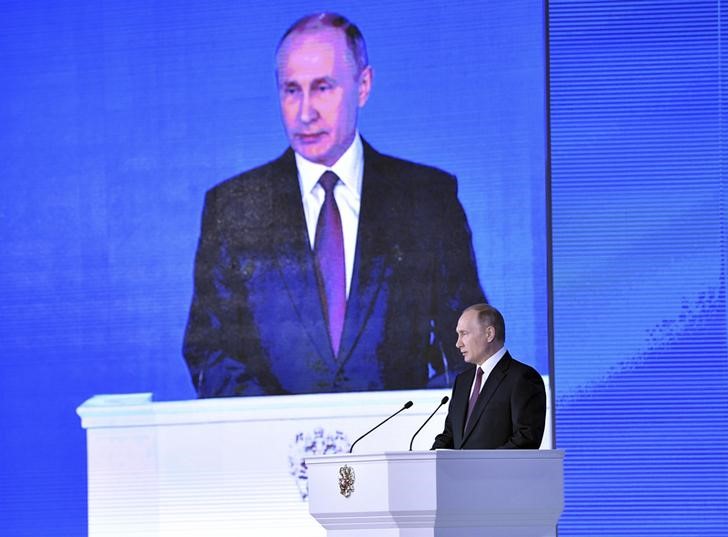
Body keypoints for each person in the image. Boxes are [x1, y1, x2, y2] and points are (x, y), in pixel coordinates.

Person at [183, 13, 485, 397]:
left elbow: (472, 345)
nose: (305, 112)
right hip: (276, 451)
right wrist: (279, 432)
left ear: (363, 86)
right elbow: (208, 351)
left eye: (323, 87)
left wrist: (417, 425)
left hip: (398, 445)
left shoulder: (426, 199)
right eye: (292, 90)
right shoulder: (234, 206)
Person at [432, 304, 545, 449]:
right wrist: (425, 461)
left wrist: (482, 467)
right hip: (461, 472)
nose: (458, 343)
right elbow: (450, 435)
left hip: (499, 472)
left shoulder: (523, 378)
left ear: (489, 334)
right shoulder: (462, 381)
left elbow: (525, 440)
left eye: (464, 333)